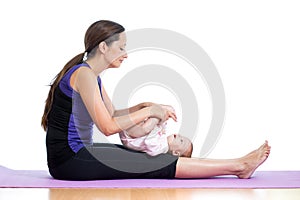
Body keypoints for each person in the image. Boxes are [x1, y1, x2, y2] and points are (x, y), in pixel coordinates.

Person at [41, 20, 271, 180]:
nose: (125, 54)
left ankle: (237, 164)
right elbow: (108, 127)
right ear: (103, 47)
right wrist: (151, 113)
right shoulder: (85, 75)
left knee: (149, 156)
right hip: (69, 160)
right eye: (121, 47)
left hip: (77, 154)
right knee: (155, 164)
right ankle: (239, 166)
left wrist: (147, 106)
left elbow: (112, 114)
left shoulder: (90, 76)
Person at [119, 105, 193, 157]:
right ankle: (161, 109)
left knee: (156, 119)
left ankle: (159, 109)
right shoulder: (164, 140)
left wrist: (157, 124)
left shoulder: (161, 149)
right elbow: (161, 129)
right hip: (134, 131)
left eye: (181, 140)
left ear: (176, 152)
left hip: (131, 138)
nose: (177, 135)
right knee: (159, 116)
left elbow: (148, 142)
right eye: (181, 136)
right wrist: (163, 122)